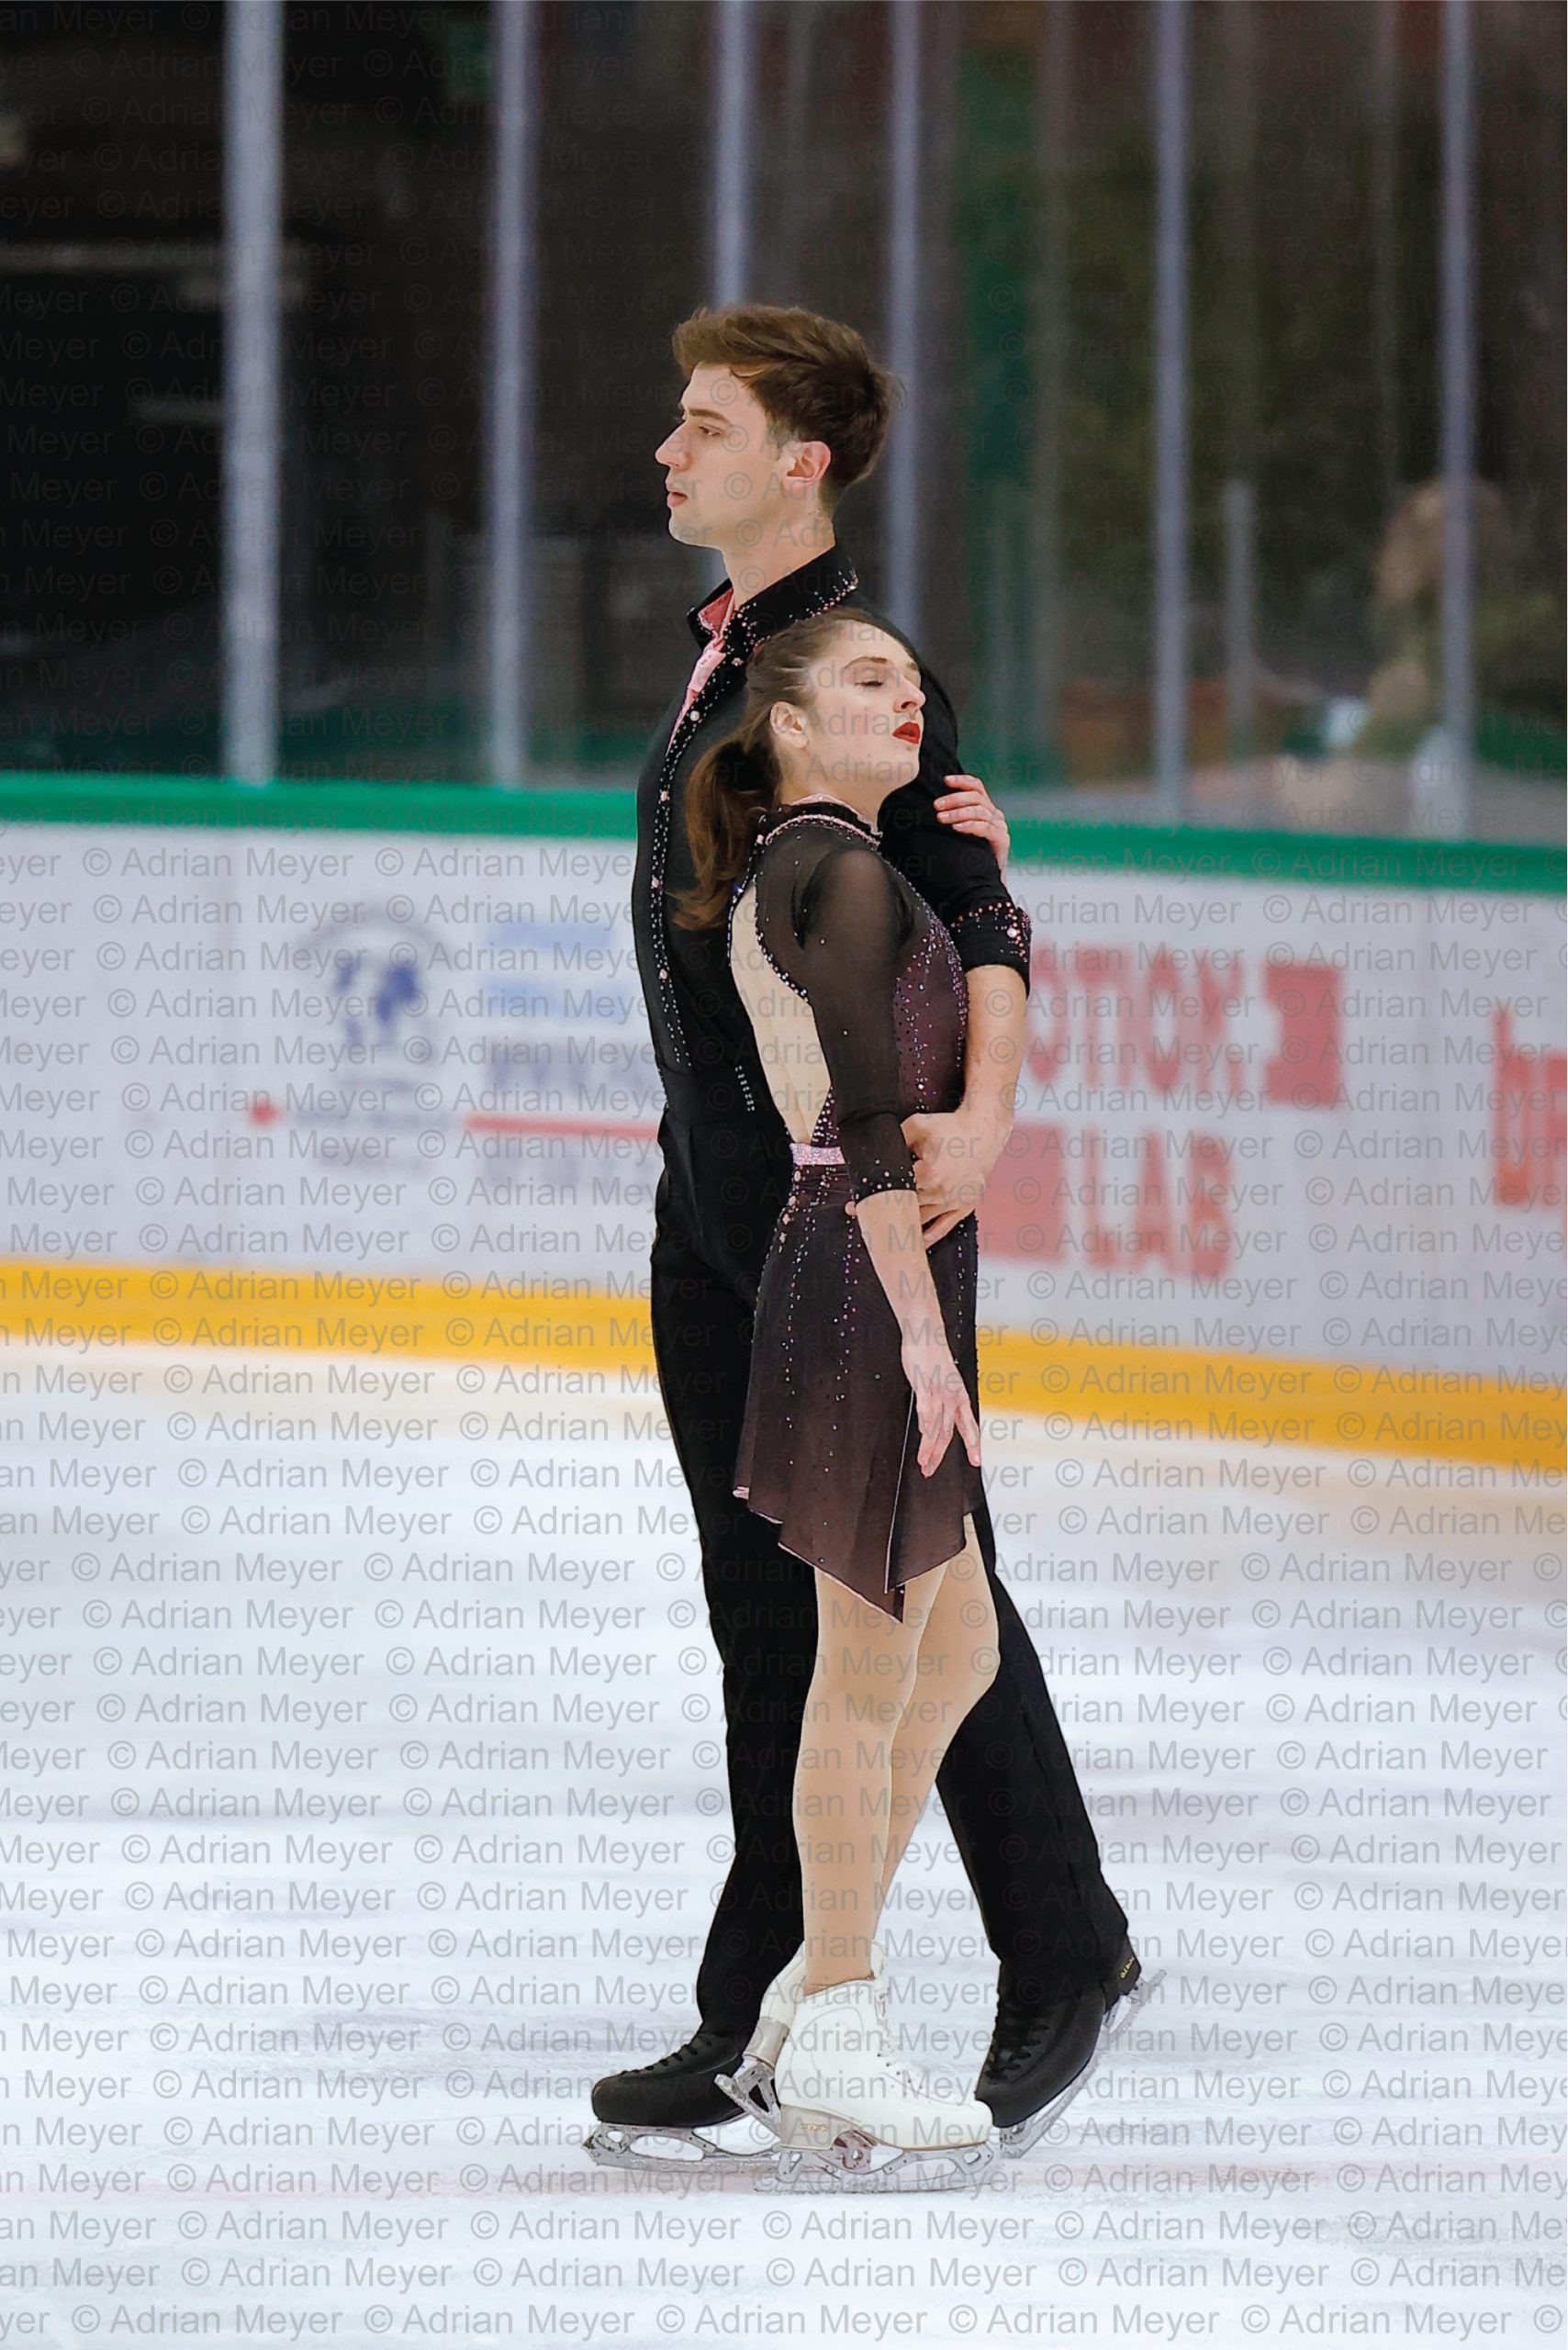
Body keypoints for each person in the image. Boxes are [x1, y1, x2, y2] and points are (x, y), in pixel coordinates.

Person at [587, 303, 1148, 2173]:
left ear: (796, 459)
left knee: (911, 1594)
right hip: (714, 1206)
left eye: (706, 423)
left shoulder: (850, 666)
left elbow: (976, 904)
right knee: (791, 1603)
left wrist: (977, 1122)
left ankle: (1040, 1950)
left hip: (833, 1212)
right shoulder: (725, 658)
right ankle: (779, 1986)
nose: (670, 451)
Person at [673, 605, 1009, 2182]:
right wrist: (924, 1341)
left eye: (913, 682)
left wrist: (994, 888)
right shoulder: (837, 868)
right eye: (869, 679)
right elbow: (870, 1121)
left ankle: (812, 2001)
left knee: (960, 1645)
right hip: (866, 1278)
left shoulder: (835, 862)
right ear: (791, 722)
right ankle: (845, 2020)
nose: (909, 698)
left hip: (872, 1276)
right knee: (867, 1661)